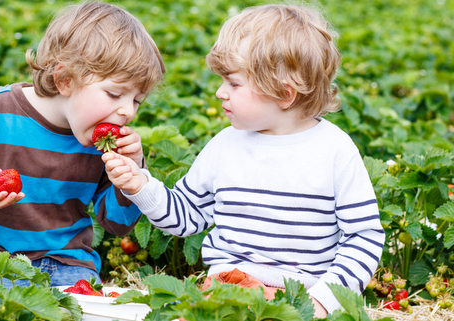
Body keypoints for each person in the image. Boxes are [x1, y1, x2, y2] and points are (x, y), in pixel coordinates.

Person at [102, 3, 384, 317]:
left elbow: (364, 235)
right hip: (228, 287)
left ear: (284, 93)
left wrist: (323, 301)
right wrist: (140, 184)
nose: (221, 93)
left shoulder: (334, 150)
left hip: (303, 297)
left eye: (234, 83)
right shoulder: (225, 145)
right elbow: (186, 217)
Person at [0, 0, 165, 309]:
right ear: (64, 80)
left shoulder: (104, 147)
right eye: (115, 94)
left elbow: (115, 223)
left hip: (67, 266)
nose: (127, 111)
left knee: (90, 312)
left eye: (137, 101)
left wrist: (132, 177)